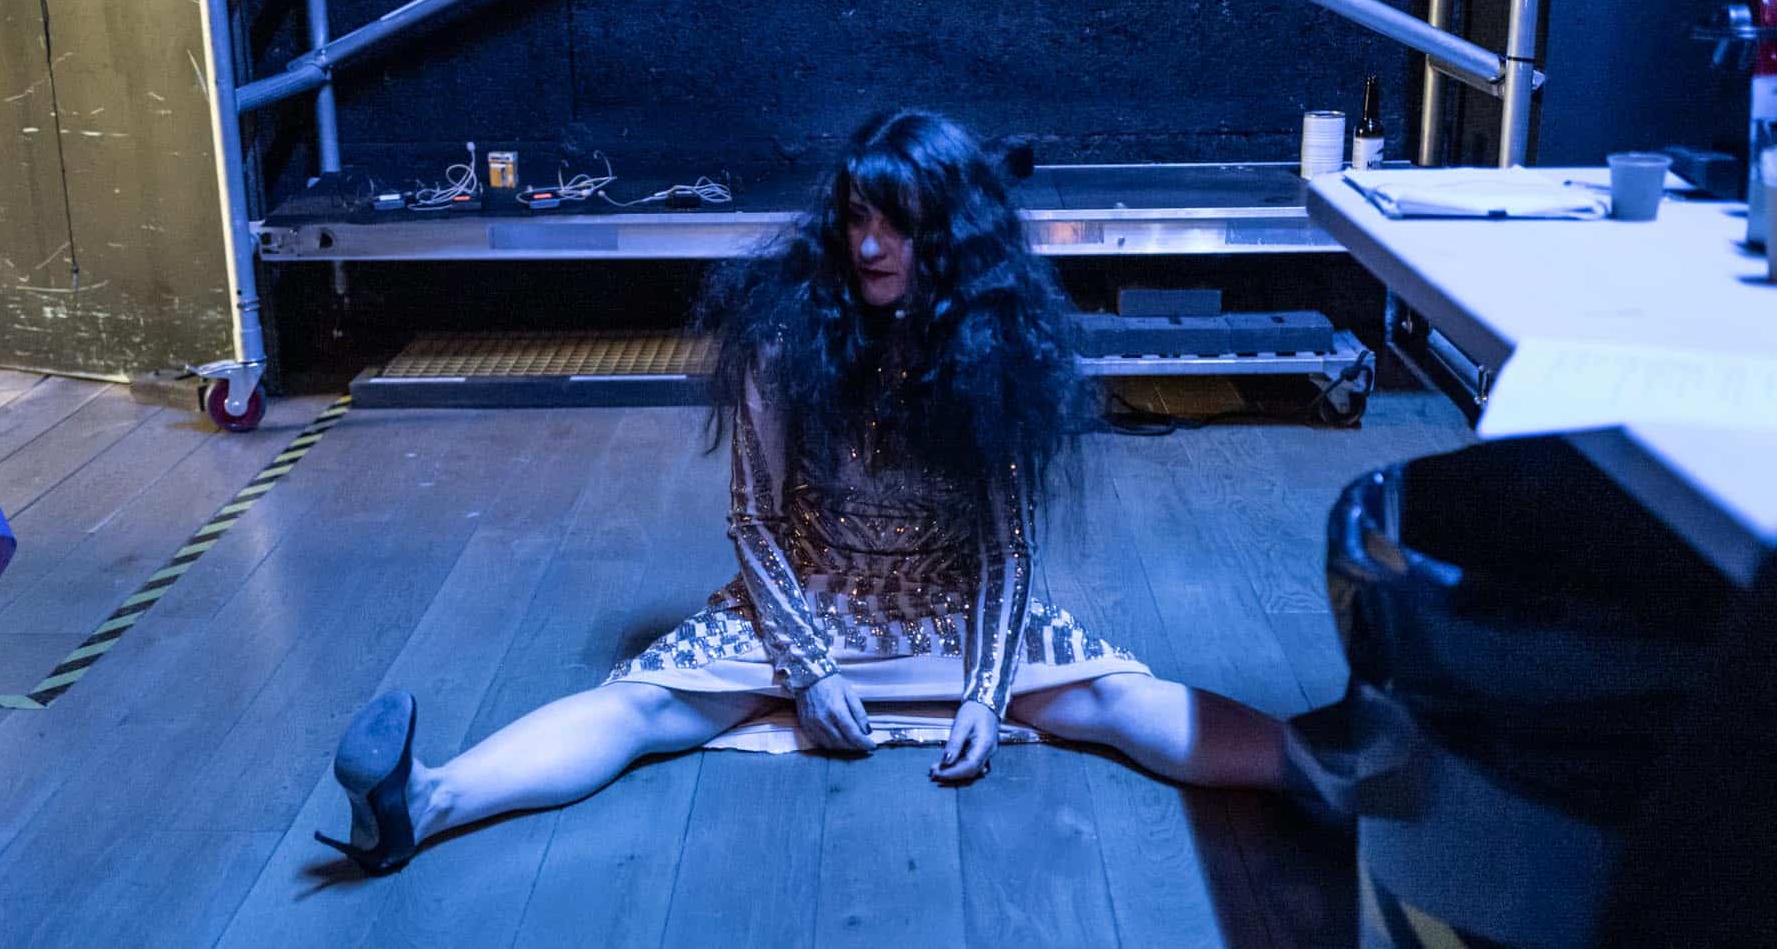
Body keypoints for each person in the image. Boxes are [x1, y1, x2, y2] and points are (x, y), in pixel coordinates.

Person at [316, 110, 1290, 875]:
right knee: (637, 708)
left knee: (1117, 698)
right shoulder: (786, 335)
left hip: (957, 613)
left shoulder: (987, 349)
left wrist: (988, 697)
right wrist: (810, 671)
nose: (868, 246)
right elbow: (752, 520)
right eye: (856, 219)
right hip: (803, 605)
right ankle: (423, 801)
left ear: (948, 233)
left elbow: (1006, 547)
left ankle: (1338, 769)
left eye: (895, 224)